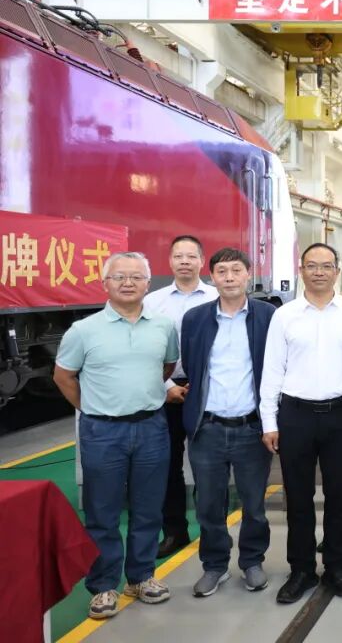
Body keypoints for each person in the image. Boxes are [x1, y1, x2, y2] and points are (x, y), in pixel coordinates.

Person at [53, 252, 179, 620]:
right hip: (102, 431)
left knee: (148, 507)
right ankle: (103, 585)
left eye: (136, 277)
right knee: (102, 511)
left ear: (147, 283)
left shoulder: (164, 326)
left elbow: (167, 366)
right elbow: (63, 377)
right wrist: (93, 407)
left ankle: (140, 577)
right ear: (105, 283)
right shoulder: (83, 330)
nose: (128, 283)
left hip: (152, 427)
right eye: (119, 277)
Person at [260, 243, 342, 604]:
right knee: (298, 497)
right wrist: (269, 421)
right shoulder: (285, 315)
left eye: (326, 266)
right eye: (312, 265)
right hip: (296, 415)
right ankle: (302, 570)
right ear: (301, 270)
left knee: (340, 494)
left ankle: (336, 567)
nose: (319, 272)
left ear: (337, 272)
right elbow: (272, 370)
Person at [180, 248, 276, 597]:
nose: (230, 277)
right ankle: (215, 565)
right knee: (208, 504)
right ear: (212, 277)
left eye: (237, 270)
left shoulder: (268, 316)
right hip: (207, 428)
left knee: (254, 504)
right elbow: (192, 365)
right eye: (222, 271)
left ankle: (252, 561)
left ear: (249, 274)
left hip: (251, 427)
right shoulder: (195, 318)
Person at [144, 235, 219, 558]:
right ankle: (175, 531)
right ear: (170, 261)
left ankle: (211, 532)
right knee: (167, 463)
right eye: (179, 256)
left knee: (209, 466)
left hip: (210, 391)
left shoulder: (218, 296)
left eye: (191, 256)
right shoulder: (153, 302)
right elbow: (145, 350)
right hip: (168, 389)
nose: (185, 261)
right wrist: (166, 387)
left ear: (202, 261)